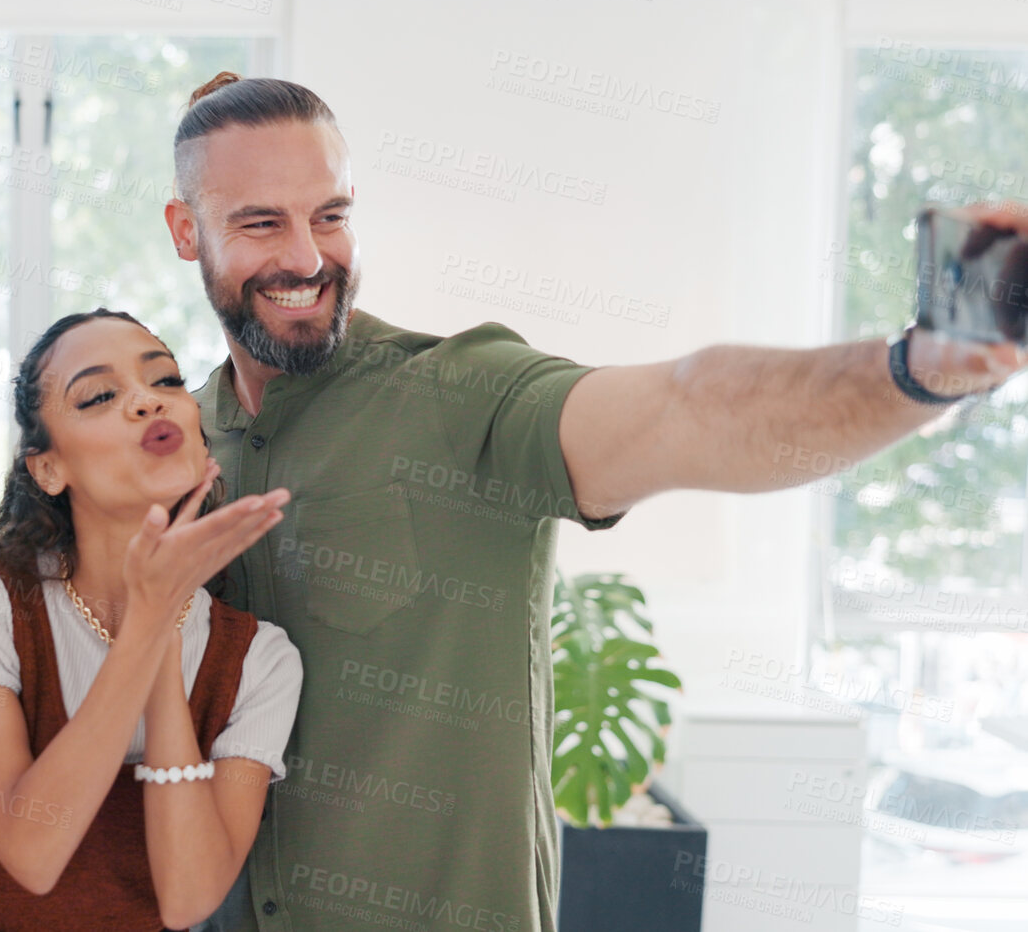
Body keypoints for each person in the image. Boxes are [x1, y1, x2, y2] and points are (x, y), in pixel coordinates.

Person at [162, 72, 1028, 932]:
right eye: (260, 222)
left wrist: (924, 365)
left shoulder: (458, 395)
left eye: (331, 215)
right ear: (184, 230)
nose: (309, 258)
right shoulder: (172, 450)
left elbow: (688, 404)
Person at [0, 309, 302, 931]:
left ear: (202, 442)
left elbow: (188, 898)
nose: (148, 403)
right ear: (47, 468)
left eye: (166, 381)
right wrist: (148, 623)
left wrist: (156, 629)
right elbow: (32, 852)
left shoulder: (260, 659)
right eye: (99, 395)